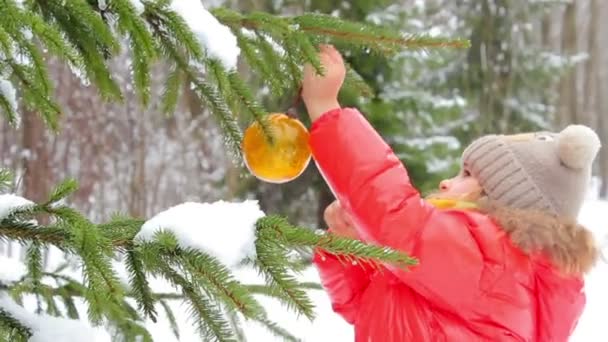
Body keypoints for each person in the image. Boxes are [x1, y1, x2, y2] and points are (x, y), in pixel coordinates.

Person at [301, 45, 602, 342]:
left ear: (505, 201)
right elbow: (369, 307)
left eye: (468, 175)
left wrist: (325, 108)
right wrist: (350, 248)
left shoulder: (492, 262)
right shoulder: (484, 271)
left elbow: (397, 218)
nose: (446, 183)